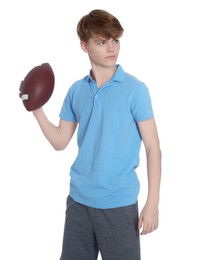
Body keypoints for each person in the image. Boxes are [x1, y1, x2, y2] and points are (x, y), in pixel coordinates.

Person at [32, 9, 161, 260]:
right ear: (84, 46)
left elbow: (153, 147)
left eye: (114, 40)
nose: (111, 47)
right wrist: (36, 109)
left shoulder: (135, 90)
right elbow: (60, 141)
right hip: (79, 202)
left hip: (118, 204)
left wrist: (152, 202)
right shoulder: (76, 91)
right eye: (102, 42)